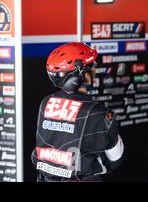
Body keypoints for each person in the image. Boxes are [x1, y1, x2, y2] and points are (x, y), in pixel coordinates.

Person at [31, 42, 124, 182]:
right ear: (81, 75)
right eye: (92, 67)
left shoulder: (45, 103)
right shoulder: (99, 113)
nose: (94, 71)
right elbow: (116, 158)